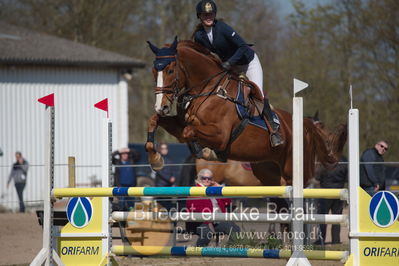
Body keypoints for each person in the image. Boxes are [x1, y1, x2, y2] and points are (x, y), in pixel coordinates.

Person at [192, 0, 283, 147]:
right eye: (205, 14)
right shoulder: (199, 36)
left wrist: (229, 63)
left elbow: (242, 46)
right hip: (229, 67)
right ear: (199, 16)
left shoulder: (222, 28)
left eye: (211, 14)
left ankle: (274, 129)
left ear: (215, 15)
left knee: (257, 94)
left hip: (248, 62)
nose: (208, 16)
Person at [186, 168, 240, 247]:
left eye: (209, 178)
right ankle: (198, 251)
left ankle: (229, 250)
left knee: (235, 229)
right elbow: (197, 210)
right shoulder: (195, 191)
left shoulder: (214, 189)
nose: (207, 180)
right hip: (200, 222)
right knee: (207, 233)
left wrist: (220, 187)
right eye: (204, 178)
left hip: (217, 221)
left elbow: (228, 202)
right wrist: (209, 223)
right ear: (198, 179)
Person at [314, 156, 348, 245]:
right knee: (337, 218)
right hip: (339, 192)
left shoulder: (325, 160)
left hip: (325, 192)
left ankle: (321, 240)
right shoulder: (344, 161)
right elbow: (347, 178)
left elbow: (317, 176)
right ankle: (335, 240)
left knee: (322, 218)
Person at [155, 143, 179, 211]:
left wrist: (174, 176)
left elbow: (174, 170)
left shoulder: (170, 159)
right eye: (163, 148)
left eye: (166, 148)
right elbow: (159, 172)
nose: (164, 150)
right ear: (160, 150)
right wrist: (169, 178)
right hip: (161, 186)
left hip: (169, 185)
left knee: (169, 204)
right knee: (161, 205)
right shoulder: (158, 160)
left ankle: (169, 219)